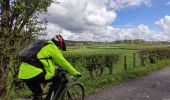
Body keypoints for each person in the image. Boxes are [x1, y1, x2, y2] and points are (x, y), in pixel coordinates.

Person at [18, 34, 81, 100]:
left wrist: (54, 67)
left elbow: (39, 61)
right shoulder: (52, 47)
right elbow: (63, 61)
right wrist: (75, 72)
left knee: (38, 94)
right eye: (59, 47)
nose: (59, 49)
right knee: (60, 79)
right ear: (59, 44)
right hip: (34, 73)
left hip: (23, 74)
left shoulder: (43, 46)